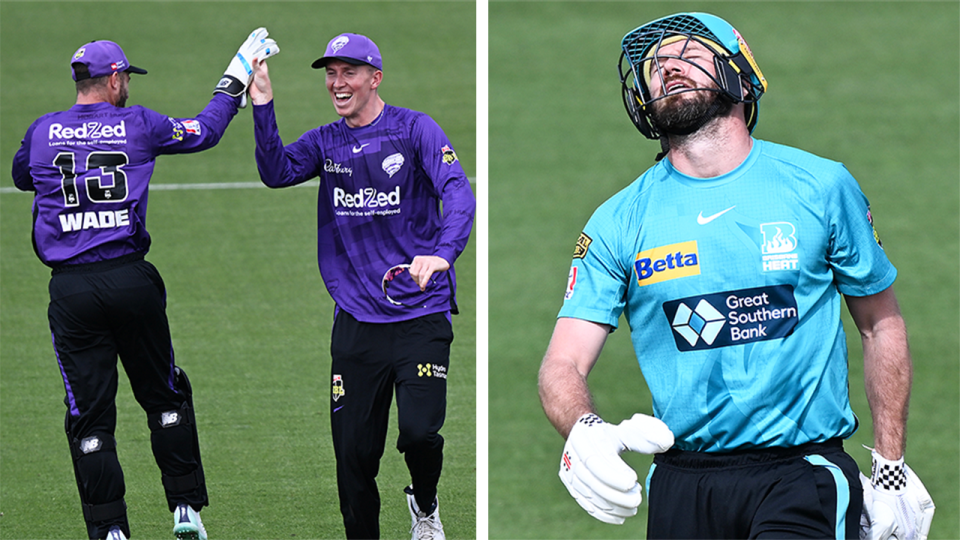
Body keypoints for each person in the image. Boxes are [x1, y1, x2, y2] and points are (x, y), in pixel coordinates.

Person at [538, 12, 935, 540]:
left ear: (742, 78)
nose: (668, 69)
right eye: (656, 66)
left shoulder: (821, 186)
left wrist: (889, 471)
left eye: (689, 54)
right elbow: (562, 362)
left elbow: (880, 324)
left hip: (803, 474)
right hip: (681, 483)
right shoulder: (617, 220)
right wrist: (583, 431)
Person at [11, 30, 277, 540]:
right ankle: (185, 509)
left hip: (71, 292)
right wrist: (236, 77)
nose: (127, 85)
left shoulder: (42, 131)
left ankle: (111, 531)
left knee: (89, 419)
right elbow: (204, 130)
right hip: (131, 281)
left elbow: (24, 176)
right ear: (113, 79)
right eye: (126, 77)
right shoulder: (137, 123)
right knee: (165, 396)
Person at [247, 32, 475, 540]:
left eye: (348, 72)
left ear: (375, 78)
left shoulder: (415, 130)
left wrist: (442, 253)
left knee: (418, 433)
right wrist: (262, 103)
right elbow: (276, 172)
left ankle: (425, 503)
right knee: (353, 458)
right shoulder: (325, 143)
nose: (337, 82)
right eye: (330, 73)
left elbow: (457, 192)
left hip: (420, 312)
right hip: (356, 321)